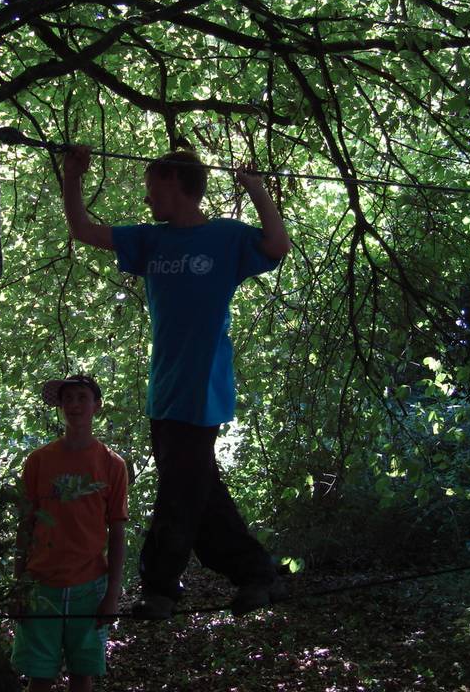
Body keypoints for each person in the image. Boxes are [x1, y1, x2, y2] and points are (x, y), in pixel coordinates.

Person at [61, 143, 291, 619]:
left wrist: (257, 190)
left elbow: (276, 246)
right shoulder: (150, 239)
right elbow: (82, 229)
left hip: (203, 385)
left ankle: (161, 586)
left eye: (153, 189)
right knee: (197, 487)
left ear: (179, 187)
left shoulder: (226, 238)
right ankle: (256, 573)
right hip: (164, 387)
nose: (147, 200)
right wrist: (73, 176)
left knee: (179, 491)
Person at [12, 373, 128, 692]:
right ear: (61, 407)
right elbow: (27, 524)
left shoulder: (112, 464)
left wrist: (112, 594)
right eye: (68, 399)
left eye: (82, 398)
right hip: (40, 585)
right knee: (40, 675)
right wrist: (18, 583)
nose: (74, 405)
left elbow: (117, 530)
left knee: (82, 673)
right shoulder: (38, 461)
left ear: (96, 406)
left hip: (89, 586)